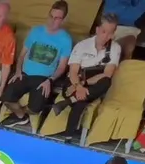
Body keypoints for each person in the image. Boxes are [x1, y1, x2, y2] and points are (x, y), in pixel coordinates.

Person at [0, 1, 72, 127]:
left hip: (43, 79)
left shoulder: (66, 39)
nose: (52, 21)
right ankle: (21, 116)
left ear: (63, 20)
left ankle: (20, 116)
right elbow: (21, 55)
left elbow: (62, 67)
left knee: (35, 108)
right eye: (51, 16)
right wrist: (18, 71)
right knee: (6, 98)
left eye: (57, 18)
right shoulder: (36, 31)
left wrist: (50, 80)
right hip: (25, 74)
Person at [52, 13, 122, 141]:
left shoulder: (115, 48)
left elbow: (107, 74)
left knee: (106, 81)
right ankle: (69, 133)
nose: (106, 36)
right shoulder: (82, 45)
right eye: (104, 31)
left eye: (110, 33)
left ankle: (67, 103)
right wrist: (78, 86)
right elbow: (73, 72)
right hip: (74, 82)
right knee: (81, 101)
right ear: (97, 29)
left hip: (94, 84)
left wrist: (83, 85)